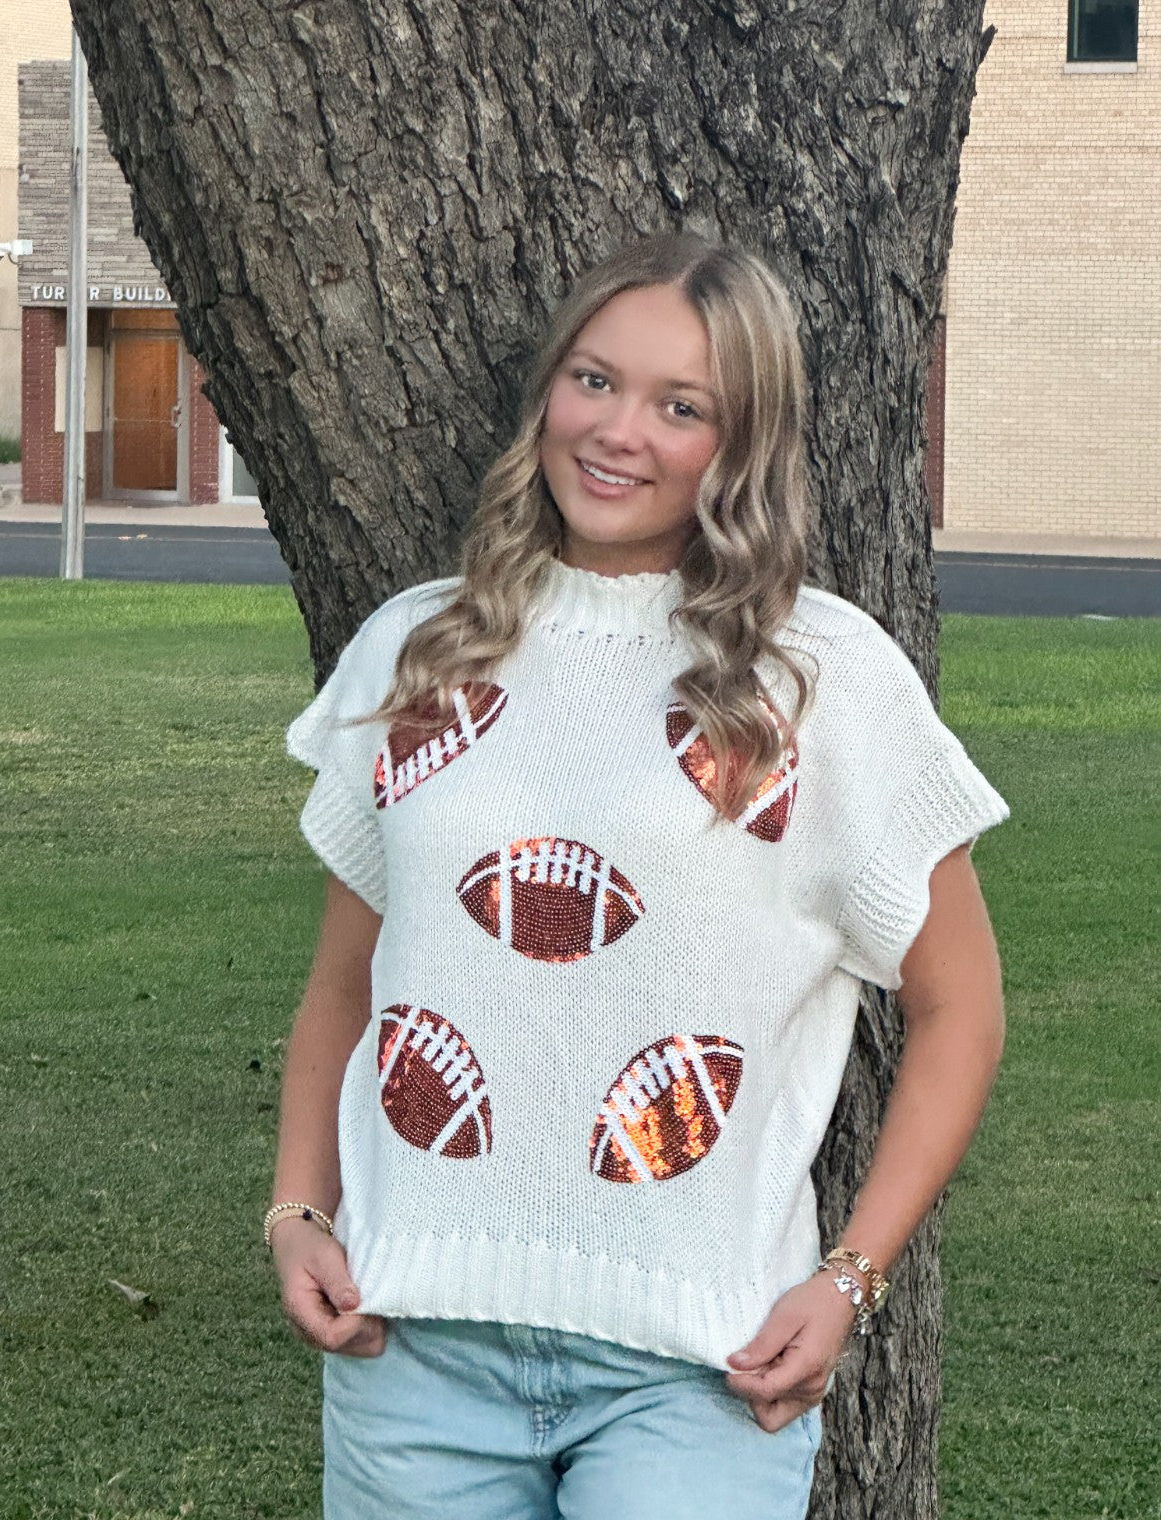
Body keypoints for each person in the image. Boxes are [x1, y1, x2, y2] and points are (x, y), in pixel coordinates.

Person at [268, 231, 1008, 1519]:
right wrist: (295, 1211)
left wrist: (849, 1281)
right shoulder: (422, 646)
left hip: (696, 1374)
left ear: (743, 443)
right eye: (594, 381)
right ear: (547, 390)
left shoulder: (818, 682)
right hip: (413, 1349)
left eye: (683, 406)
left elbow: (962, 1009)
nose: (619, 432)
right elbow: (349, 981)